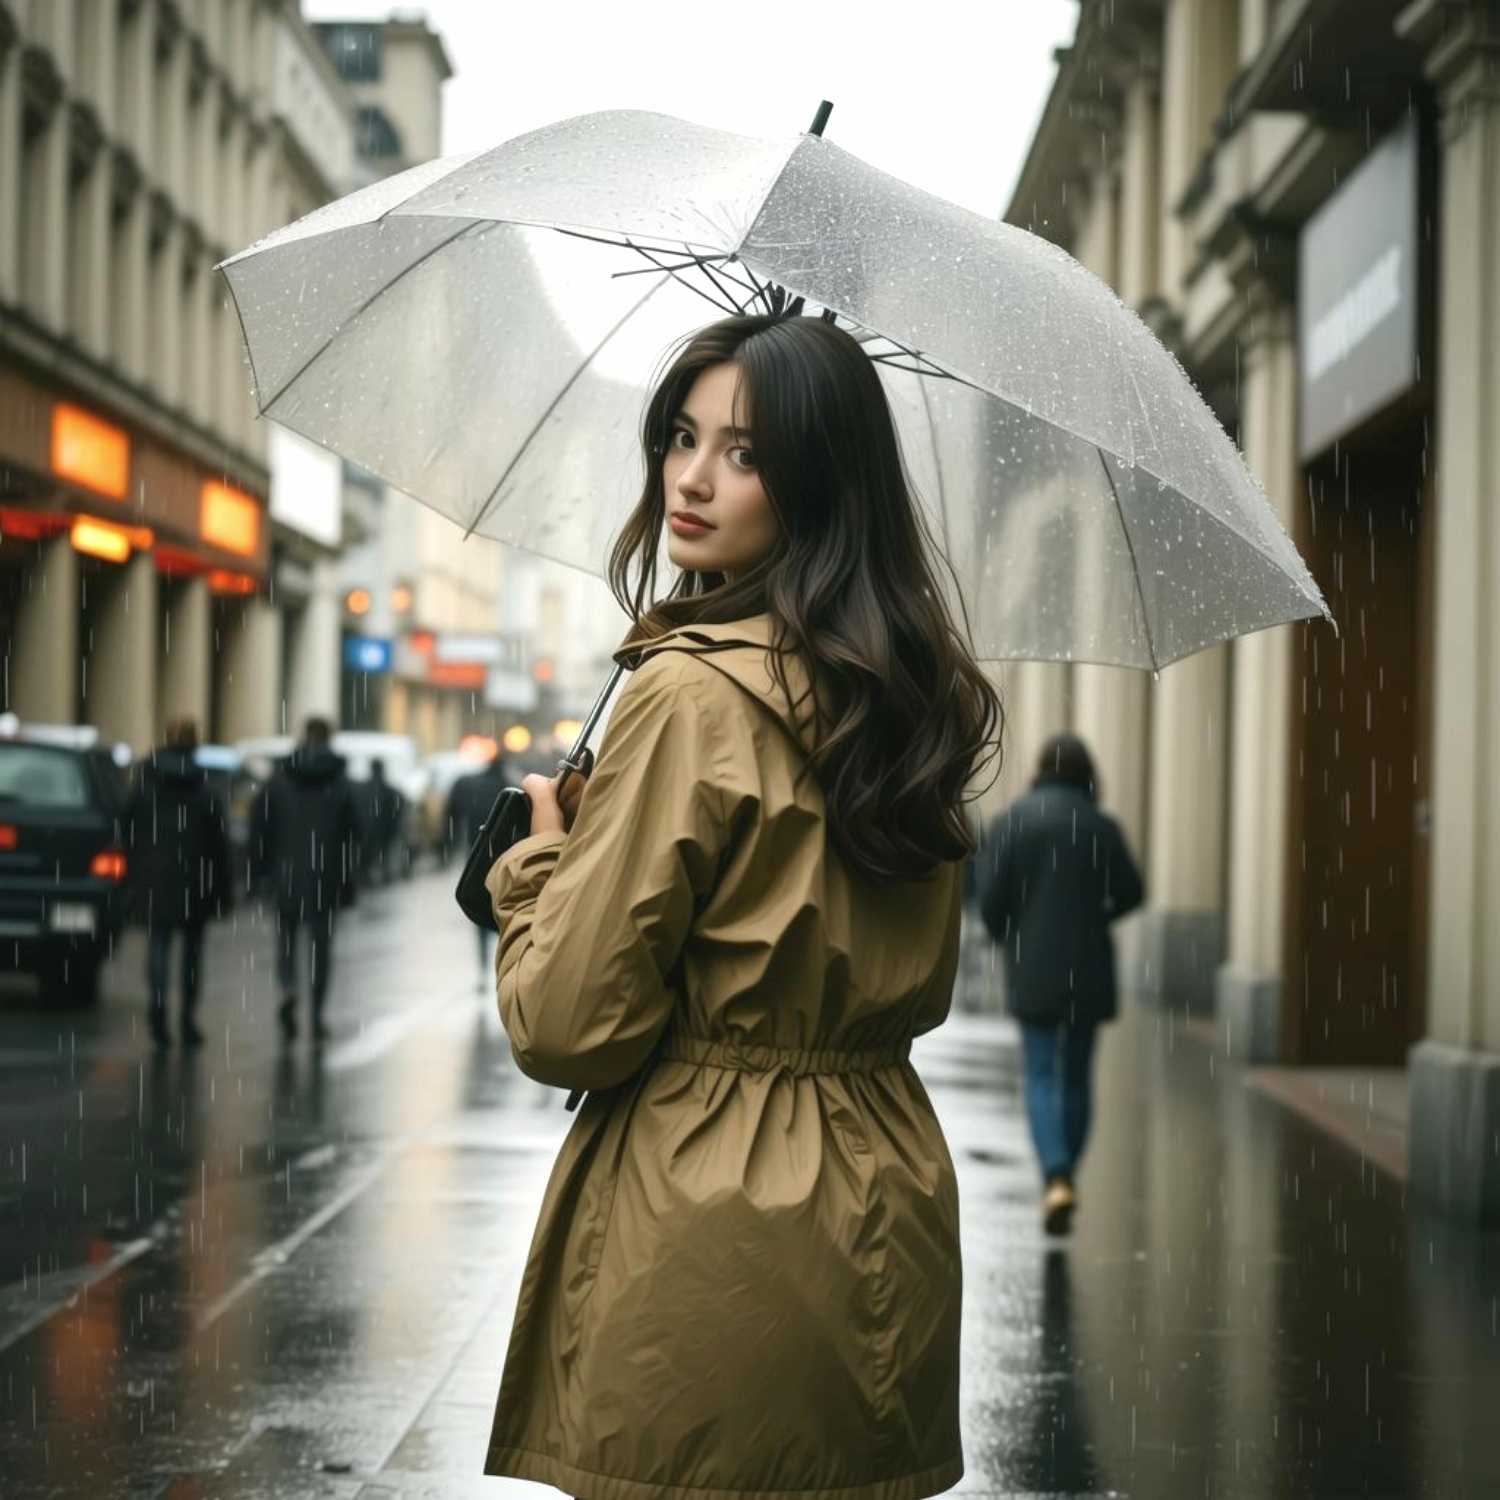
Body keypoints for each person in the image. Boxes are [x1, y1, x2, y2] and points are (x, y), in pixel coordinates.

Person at [480, 314, 1002, 1500]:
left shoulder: (686, 699)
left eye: (747, 453)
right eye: (682, 436)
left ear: (818, 482)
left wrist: (541, 866)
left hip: (703, 1237)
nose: (693, 478)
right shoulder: (911, 698)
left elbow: (568, 1026)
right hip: (887, 1214)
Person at [978, 733, 1144, 1236]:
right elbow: (1132, 894)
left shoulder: (1013, 823)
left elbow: (990, 906)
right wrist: (1096, 916)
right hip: (1088, 966)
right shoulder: (1101, 826)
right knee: (1075, 1076)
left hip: (1033, 967)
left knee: (1039, 1073)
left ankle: (1054, 1175)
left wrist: (1018, 929)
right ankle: (1066, 1169)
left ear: (1038, 769)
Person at [123, 717, 232, 1047]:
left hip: (154, 877)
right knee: (192, 954)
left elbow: (127, 827)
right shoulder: (205, 787)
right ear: (195, 743)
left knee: (158, 945)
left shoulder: (145, 782)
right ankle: (187, 1019)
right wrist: (223, 889)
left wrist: (135, 869)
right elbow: (219, 845)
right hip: (194, 880)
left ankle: (157, 1005)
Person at [248, 716, 359, 1043]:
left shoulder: (280, 779)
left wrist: (261, 872)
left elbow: (260, 828)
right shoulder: (338, 782)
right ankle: (317, 1013)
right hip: (326, 876)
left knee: (286, 939)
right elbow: (354, 832)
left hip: (286, 874)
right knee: (321, 948)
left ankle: (288, 986)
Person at [444, 751, 519, 983]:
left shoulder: (468, 785)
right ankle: (504, 964)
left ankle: (483, 964)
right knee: (503, 911)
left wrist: (446, 845)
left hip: (476, 852)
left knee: (478, 905)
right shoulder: (509, 788)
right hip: (505, 857)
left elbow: (452, 813)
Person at [352, 757, 405, 886]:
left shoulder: (364, 788)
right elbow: (397, 810)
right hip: (384, 828)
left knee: (368, 855)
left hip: (369, 829)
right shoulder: (391, 790)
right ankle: (383, 875)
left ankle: (367, 876)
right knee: (383, 854)